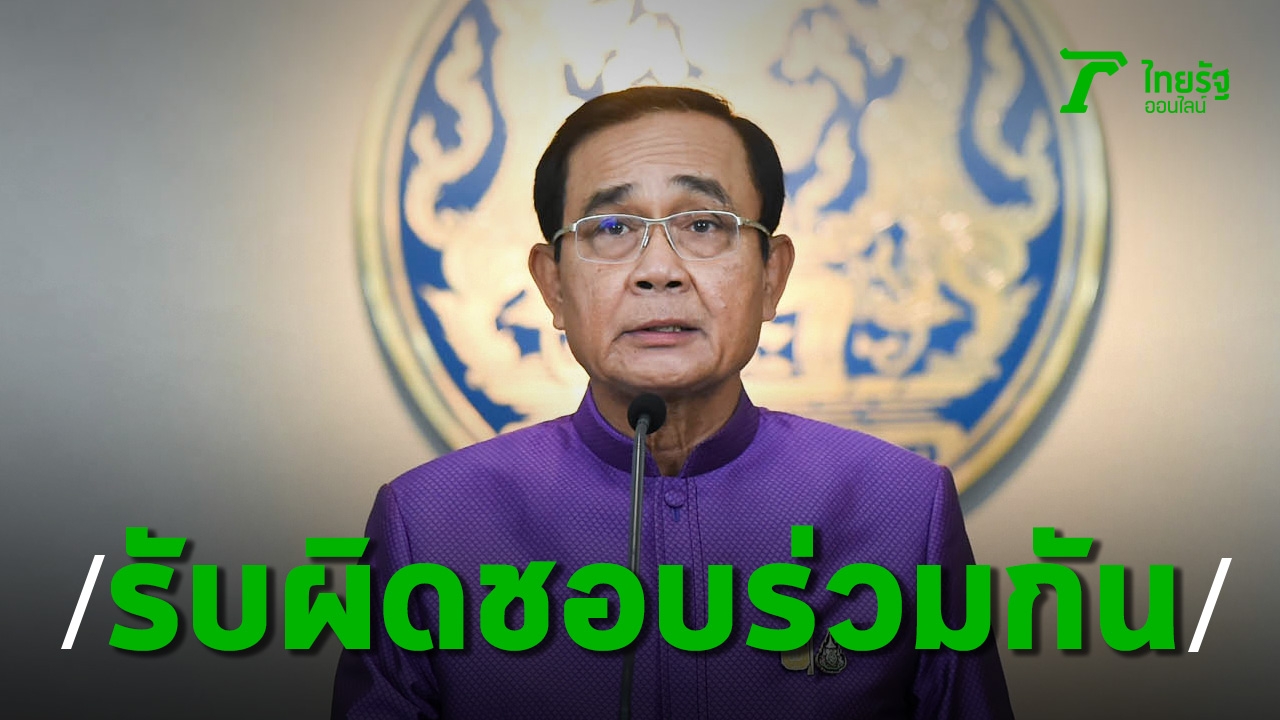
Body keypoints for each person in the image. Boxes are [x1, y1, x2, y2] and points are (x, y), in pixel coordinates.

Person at [332, 86, 1014, 719]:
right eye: (611, 227)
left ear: (772, 276)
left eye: (704, 224)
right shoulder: (426, 525)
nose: (659, 271)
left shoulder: (903, 509)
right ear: (553, 287)